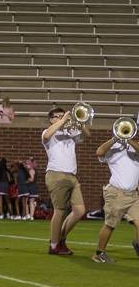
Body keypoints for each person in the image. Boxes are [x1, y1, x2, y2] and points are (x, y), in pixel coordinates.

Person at [42, 106, 89, 256]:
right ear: (51, 119)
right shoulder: (48, 132)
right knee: (60, 211)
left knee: (80, 211)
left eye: (63, 115)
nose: (62, 117)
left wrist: (79, 121)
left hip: (72, 176)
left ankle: (60, 238)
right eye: (57, 116)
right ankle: (54, 245)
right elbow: (47, 135)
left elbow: (87, 135)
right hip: (56, 174)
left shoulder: (70, 133)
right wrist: (63, 120)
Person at [92, 128, 139, 263]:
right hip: (116, 193)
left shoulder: (135, 147)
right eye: (123, 130)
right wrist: (115, 139)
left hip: (133, 195)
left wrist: (129, 139)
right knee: (110, 224)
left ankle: (138, 244)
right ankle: (99, 253)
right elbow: (99, 152)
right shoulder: (113, 148)